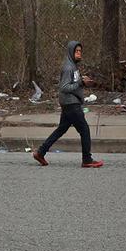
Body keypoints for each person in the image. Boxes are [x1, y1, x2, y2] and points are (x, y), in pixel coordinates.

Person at [33, 40, 104, 168]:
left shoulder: (73, 66)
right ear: (71, 52)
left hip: (70, 103)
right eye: (76, 51)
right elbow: (64, 87)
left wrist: (82, 80)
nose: (79, 54)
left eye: (80, 51)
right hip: (71, 104)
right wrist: (81, 83)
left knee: (61, 129)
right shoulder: (68, 67)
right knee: (84, 130)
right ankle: (87, 159)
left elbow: (74, 82)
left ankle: (40, 152)